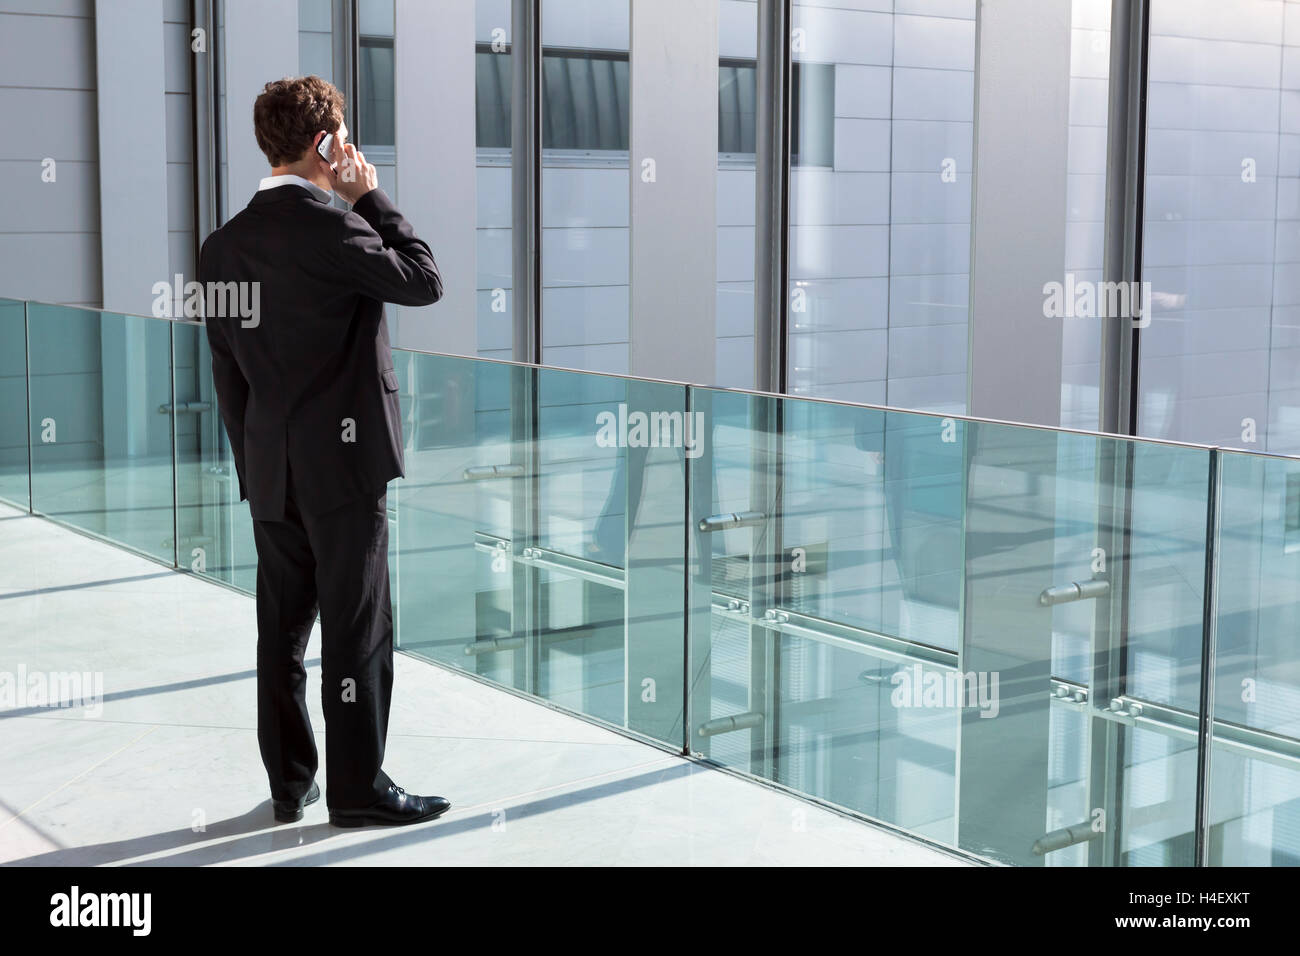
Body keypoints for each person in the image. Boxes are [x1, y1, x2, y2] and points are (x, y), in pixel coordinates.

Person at [199, 76, 448, 828]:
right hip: (343, 471)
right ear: (327, 144)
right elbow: (425, 281)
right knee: (355, 629)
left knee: (281, 630)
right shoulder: (338, 229)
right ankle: (358, 791)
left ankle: (290, 784)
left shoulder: (220, 246)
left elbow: (226, 373)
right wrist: (370, 197)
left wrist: (256, 469)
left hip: (271, 468)